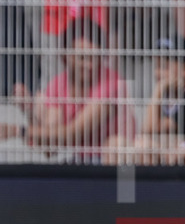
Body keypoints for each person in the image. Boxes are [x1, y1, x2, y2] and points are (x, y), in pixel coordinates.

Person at [3, 17, 134, 163]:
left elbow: (74, 132)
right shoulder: (57, 85)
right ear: (65, 56)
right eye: (82, 58)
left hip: (115, 165)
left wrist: (18, 131)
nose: (89, 65)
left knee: (115, 144)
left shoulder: (113, 83)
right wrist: (29, 110)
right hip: (81, 161)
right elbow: (50, 148)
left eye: (94, 58)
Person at [133, 35, 185, 165]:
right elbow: (145, 131)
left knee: (146, 146)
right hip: (173, 152)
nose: (157, 73)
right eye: (156, 66)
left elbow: (150, 129)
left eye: (164, 67)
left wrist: (158, 89)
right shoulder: (167, 95)